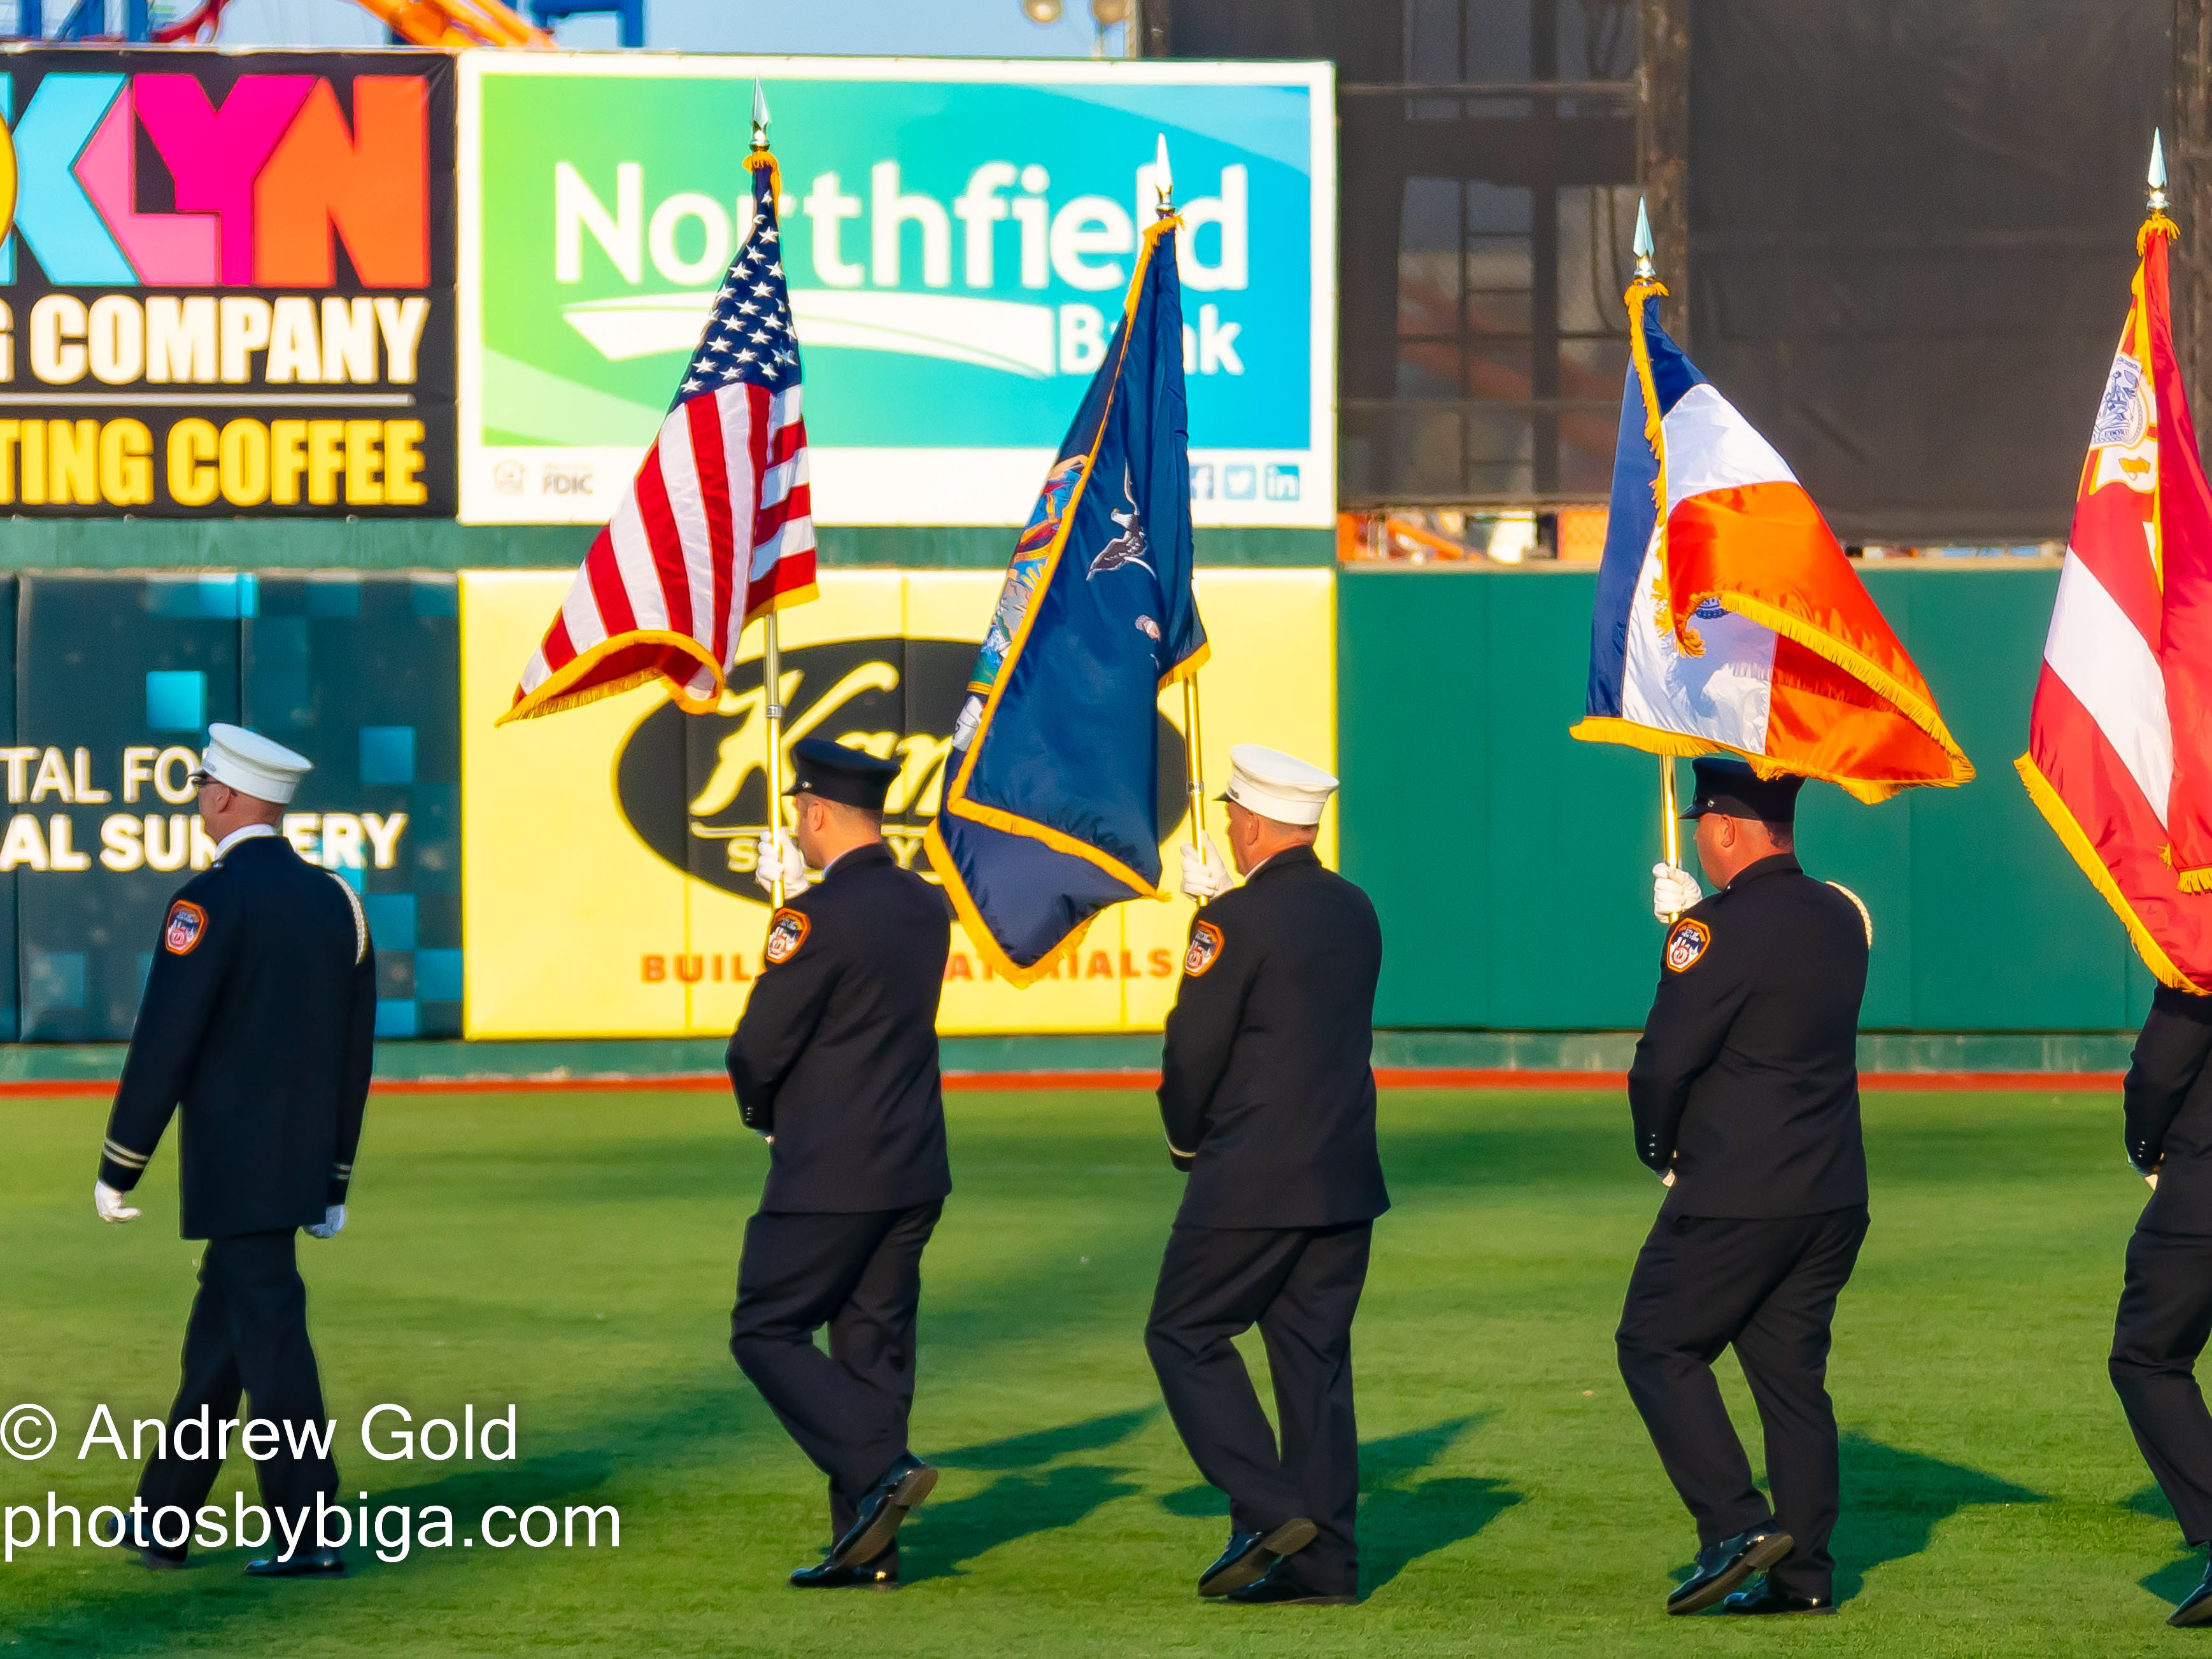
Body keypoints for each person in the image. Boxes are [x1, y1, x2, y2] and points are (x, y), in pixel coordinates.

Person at [95, 724, 374, 1578]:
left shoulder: (206, 902)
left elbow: (164, 1042)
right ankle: (161, 1514)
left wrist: (121, 1160)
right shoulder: (338, 899)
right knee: (222, 1336)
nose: (200, 802)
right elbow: (352, 1055)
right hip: (298, 1166)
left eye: (203, 788)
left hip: (233, 1166)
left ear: (223, 795)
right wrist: (334, 1174)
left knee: (271, 1337)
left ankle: (306, 1526)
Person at [1617, 757, 1872, 1617]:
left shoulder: (1712, 930)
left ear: (1724, 830)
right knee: (1791, 1381)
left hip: (1736, 1191)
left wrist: (1658, 1144)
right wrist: (1698, 924)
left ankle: (1733, 1526)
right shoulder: (1841, 916)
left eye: (1702, 823)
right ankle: (1802, 1576)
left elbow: (1664, 1060)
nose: (1695, 834)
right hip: (1830, 1189)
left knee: (1654, 1342)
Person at [1145, 744, 1387, 1607]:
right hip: (1342, 1174)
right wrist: (1223, 912)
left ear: (1250, 823)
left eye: (1228, 816)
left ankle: (1273, 1508)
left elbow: (1195, 1045)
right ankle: (1327, 1566)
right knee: (1313, 1363)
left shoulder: (1233, 921)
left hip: (1250, 1174)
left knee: (1181, 1333)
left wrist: (1184, 1141)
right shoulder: (1355, 908)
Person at [727, 736, 952, 1591]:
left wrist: (764, 1114)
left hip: (829, 1167)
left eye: (798, 811)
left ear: (815, 812)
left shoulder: (812, 916)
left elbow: (759, 1043)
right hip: (912, 1162)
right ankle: (870, 1548)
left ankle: (883, 1470)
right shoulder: (923, 904)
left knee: (765, 1326)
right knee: (873, 1348)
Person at [2109, 984, 2212, 1627]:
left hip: (2202, 1195)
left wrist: (2146, 1150)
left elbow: (2158, 1070)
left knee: (2147, 1358)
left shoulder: (2199, 954)